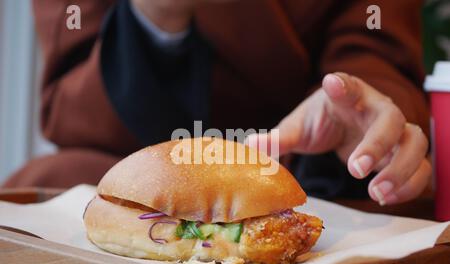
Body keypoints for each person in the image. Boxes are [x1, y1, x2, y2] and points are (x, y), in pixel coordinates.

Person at [3, 0, 431, 207]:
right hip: (137, 158)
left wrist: (358, 112)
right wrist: (157, 18)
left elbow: (377, 53)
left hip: (310, 166)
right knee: (45, 187)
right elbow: (68, 108)